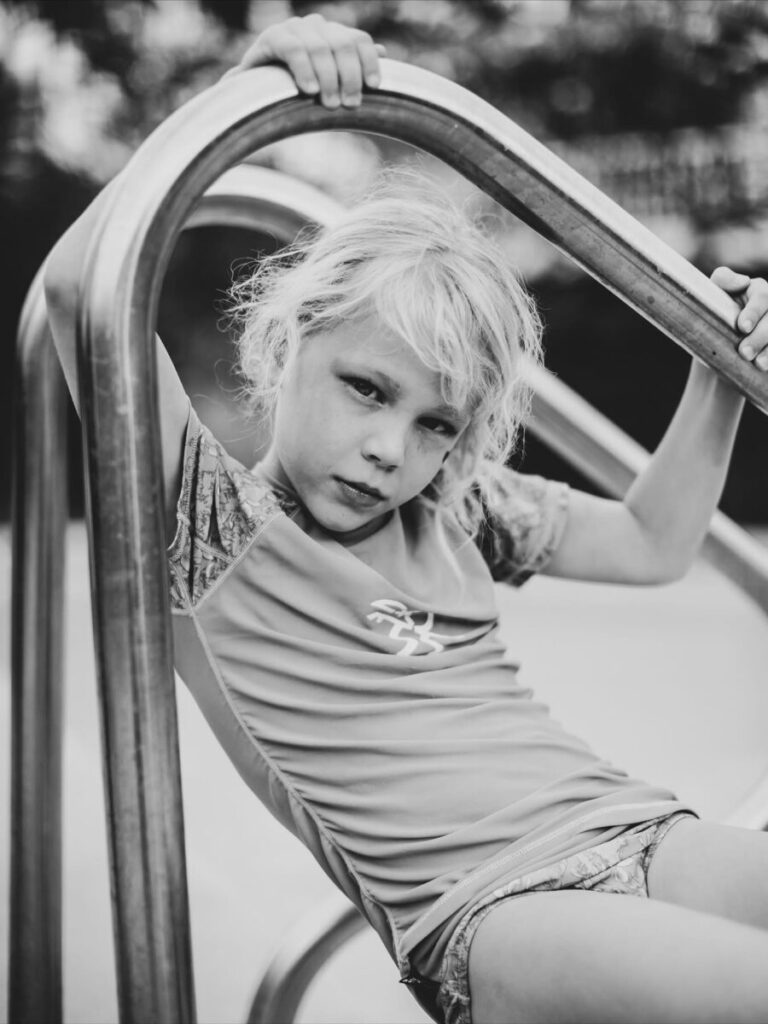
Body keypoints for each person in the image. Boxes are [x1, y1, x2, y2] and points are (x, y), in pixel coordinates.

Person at [44, 13, 768, 1024]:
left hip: (636, 824)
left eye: (437, 422)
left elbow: (654, 545)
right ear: (291, 342)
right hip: (498, 910)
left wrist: (719, 373)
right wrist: (235, 93)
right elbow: (84, 287)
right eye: (367, 389)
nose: (393, 448)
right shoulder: (216, 524)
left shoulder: (452, 509)